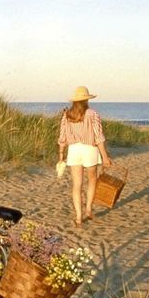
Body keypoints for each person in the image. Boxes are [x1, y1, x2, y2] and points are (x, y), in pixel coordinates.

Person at [58, 86, 112, 227]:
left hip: (74, 150)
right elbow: (99, 137)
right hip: (90, 150)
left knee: (77, 185)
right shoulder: (93, 114)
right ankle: (88, 210)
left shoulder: (67, 115)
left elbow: (62, 137)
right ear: (87, 99)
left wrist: (61, 155)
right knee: (92, 180)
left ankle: (78, 217)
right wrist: (105, 157)